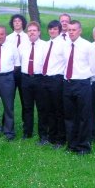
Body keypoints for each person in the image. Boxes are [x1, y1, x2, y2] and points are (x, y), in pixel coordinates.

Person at [63, 20, 95, 155]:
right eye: (69, 30)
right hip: (68, 83)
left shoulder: (88, 46)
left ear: (80, 31)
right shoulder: (66, 45)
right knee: (69, 116)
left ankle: (83, 146)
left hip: (82, 83)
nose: (71, 32)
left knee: (84, 116)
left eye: (74, 30)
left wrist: (87, 81)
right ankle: (72, 144)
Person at [18, 21, 47, 141]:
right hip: (26, 79)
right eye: (29, 31)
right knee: (27, 107)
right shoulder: (22, 46)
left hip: (40, 79)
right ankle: (27, 132)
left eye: (34, 30)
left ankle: (43, 134)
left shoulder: (45, 46)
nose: (32, 33)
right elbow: (19, 61)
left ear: (39, 32)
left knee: (42, 107)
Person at [40, 20, 67, 148]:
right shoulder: (46, 44)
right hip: (46, 79)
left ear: (60, 30)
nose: (52, 31)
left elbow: (67, 62)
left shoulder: (64, 44)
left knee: (58, 110)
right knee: (49, 110)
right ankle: (51, 136)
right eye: (50, 29)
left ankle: (60, 139)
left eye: (55, 29)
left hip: (57, 79)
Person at [6, 14, 28, 127]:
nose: (17, 23)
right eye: (15, 21)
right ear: (12, 23)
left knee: (25, 99)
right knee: (9, 98)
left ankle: (26, 123)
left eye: (19, 21)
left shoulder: (28, 37)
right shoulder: (8, 38)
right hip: (11, 71)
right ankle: (6, 123)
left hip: (24, 72)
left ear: (23, 23)